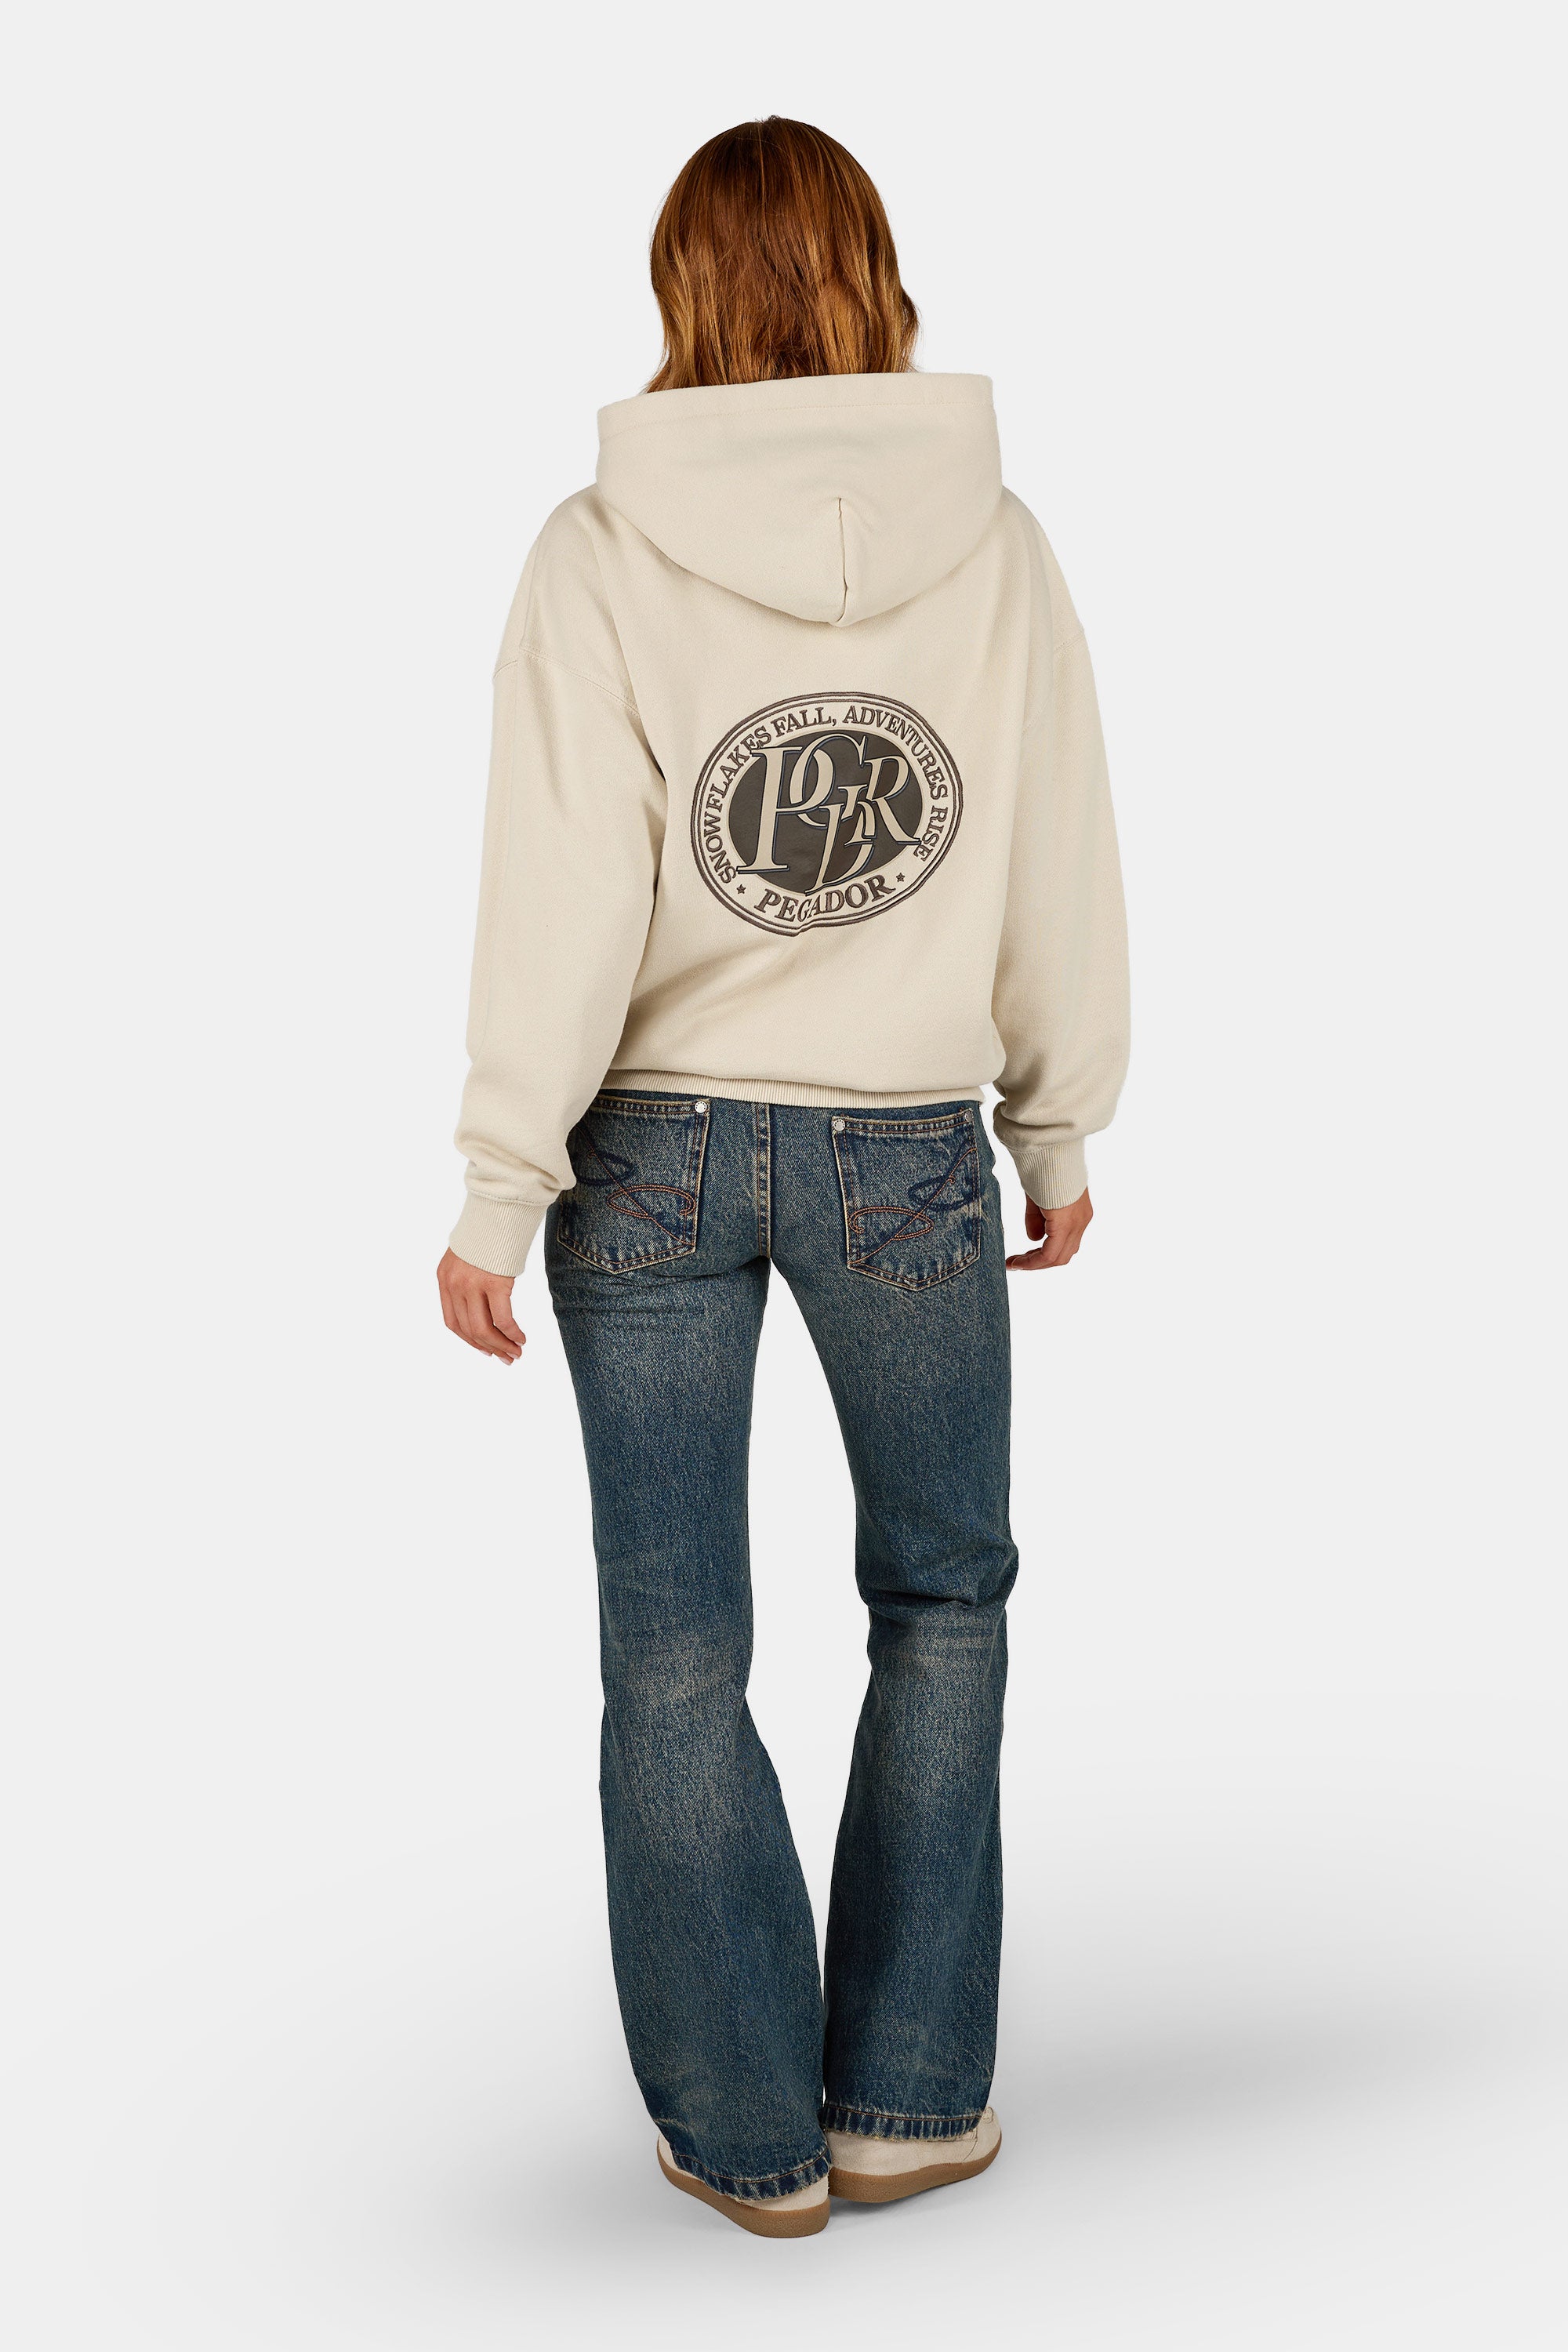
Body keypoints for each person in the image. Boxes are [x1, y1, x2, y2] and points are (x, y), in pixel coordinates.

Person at [437, 117, 1129, 2238]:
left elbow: (566, 893)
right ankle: (910, 2098)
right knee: (944, 1601)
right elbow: (1049, 846)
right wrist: (1058, 1116)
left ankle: (748, 2138)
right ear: (872, 272)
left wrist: (500, 1177)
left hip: (643, 1148)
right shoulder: (997, 546)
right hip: (904, 1145)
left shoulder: (598, 550)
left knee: (673, 1649)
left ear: (682, 287)